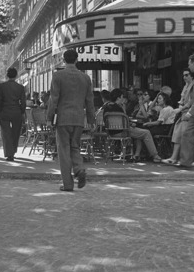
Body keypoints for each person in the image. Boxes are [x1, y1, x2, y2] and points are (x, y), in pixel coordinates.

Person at [46, 49, 96, 192]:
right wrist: (92, 120)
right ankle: (79, 169)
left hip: (63, 118)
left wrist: (49, 118)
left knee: (63, 150)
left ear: (63, 59)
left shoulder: (58, 76)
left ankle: (68, 184)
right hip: (79, 118)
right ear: (76, 60)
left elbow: (53, 99)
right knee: (75, 147)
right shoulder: (85, 78)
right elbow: (89, 101)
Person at [103, 88, 162, 163]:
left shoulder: (106, 107)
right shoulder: (119, 108)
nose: (123, 99)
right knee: (146, 133)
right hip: (123, 131)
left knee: (139, 133)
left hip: (111, 132)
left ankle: (137, 155)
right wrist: (131, 123)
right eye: (122, 97)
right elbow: (125, 120)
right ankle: (155, 155)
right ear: (118, 98)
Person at [162, 69, 194, 166]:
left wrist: (180, 109)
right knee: (178, 134)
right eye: (183, 75)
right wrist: (180, 107)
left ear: (192, 76)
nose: (184, 77)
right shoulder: (185, 86)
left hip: (192, 114)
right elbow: (183, 100)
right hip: (184, 113)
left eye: (187, 75)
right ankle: (174, 157)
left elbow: (191, 101)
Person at [0, 67, 26, 162]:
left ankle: (9, 153)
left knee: (6, 133)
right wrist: (21, 111)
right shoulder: (20, 87)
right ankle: (13, 150)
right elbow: (23, 102)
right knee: (15, 132)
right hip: (16, 112)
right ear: (16, 75)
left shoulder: (1, 86)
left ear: (7, 75)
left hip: (4, 112)